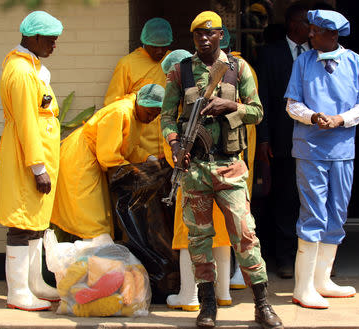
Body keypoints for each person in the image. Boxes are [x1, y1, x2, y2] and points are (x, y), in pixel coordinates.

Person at [161, 11, 283, 329]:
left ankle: (262, 304)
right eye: (198, 34)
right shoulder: (180, 71)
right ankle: (208, 305)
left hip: (230, 166)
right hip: (196, 167)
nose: (204, 38)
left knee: (244, 235)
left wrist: (231, 106)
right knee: (200, 240)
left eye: (210, 33)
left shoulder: (238, 68)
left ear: (220, 35)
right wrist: (176, 146)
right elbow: (166, 117)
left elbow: (257, 111)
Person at [284, 9, 359, 309]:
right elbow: (292, 105)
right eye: (310, 30)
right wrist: (312, 116)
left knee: (337, 213)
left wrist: (340, 119)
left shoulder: (356, 63)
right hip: (310, 149)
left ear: (333, 35)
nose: (309, 35)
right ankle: (303, 287)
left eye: (315, 31)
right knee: (313, 214)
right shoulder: (303, 62)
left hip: (342, 150)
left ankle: (322, 281)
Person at [0, 11, 63, 311]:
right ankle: (18, 291)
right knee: (21, 225)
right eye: (50, 39)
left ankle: (34, 284)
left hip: (35, 158)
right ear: (33, 37)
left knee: (34, 224)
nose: (54, 45)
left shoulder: (32, 67)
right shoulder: (20, 72)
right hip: (26, 159)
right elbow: (27, 123)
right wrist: (38, 167)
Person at [161, 49, 234, 312]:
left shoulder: (231, 70)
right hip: (221, 170)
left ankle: (189, 296)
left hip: (197, 174)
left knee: (188, 238)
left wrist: (177, 148)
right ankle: (223, 293)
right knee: (223, 235)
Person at [51, 84, 165, 239]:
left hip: (91, 159)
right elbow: (108, 156)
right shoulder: (120, 112)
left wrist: (148, 158)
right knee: (91, 218)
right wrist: (137, 172)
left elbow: (128, 147)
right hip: (80, 159)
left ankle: (90, 257)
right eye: (149, 113)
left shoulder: (136, 116)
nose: (151, 118)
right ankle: (90, 256)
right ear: (140, 102)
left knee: (96, 216)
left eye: (156, 115)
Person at [255, 2, 310, 279]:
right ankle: (285, 257)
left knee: (311, 200)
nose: (311, 30)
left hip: (315, 141)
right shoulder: (269, 54)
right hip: (283, 139)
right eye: (306, 23)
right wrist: (263, 139)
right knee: (285, 199)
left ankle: (313, 258)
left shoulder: (319, 53)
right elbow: (261, 98)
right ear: (292, 24)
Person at [220, 25, 258, 288]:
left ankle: (240, 272)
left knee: (240, 213)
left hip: (238, 145)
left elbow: (252, 108)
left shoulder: (240, 67)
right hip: (222, 147)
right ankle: (230, 272)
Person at [103, 17, 172, 159]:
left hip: (169, 143)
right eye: (154, 47)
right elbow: (112, 106)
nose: (160, 51)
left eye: (164, 46)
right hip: (140, 146)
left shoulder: (173, 61)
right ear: (145, 42)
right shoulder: (127, 64)